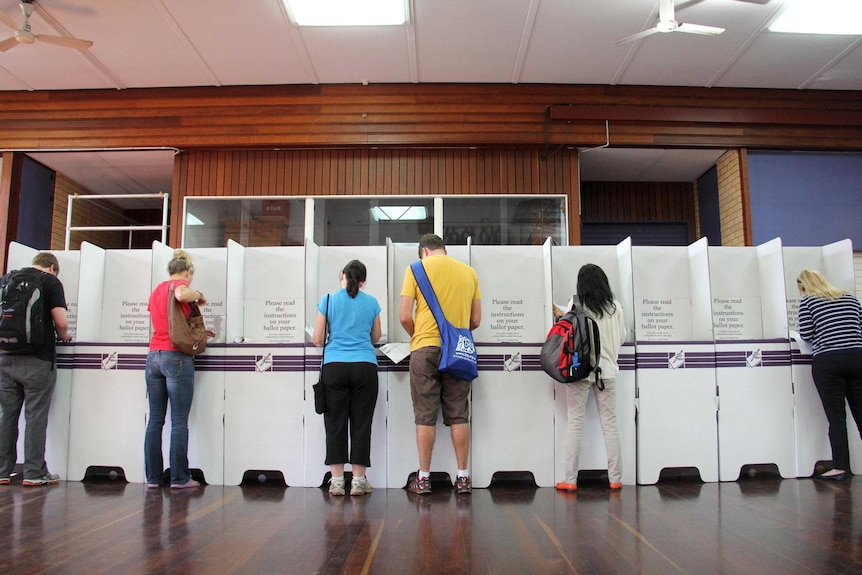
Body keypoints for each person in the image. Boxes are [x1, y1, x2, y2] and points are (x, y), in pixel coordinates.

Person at [399, 234, 481, 495]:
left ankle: (423, 479)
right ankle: (464, 477)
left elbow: (403, 317)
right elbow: (475, 321)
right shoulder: (469, 273)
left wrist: (418, 336)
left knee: (425, 414)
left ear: (423, 251)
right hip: (457, 350)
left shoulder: (415, 270)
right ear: (443, 250)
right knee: (459, 413)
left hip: (424, 348)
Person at [0, 252, 72, 487]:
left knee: (6, 416)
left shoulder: (6, 280)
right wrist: (64, 336)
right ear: (52, 267)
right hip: (37, 360)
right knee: (35, 416)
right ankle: (33, 472)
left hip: (5, 357)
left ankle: (2, 471)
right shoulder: (50, 281)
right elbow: (60, 322)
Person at [313, 260, 382, 496]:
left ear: (341, 275)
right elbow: (376, 337)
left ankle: (337, 482)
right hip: (365, 367)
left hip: (334, 367)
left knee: (335, 424)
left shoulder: (328, 300)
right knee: (362, 424)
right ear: (363, 282)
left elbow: (318, 338)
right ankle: (359, 481)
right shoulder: (372, 302)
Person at [556, 263, 627, 492]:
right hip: (607, 372)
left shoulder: (576, 304)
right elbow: (623, 337)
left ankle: (571, 480)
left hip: (580, 370)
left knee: (575, 422)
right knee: (610, 424)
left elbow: (568, 333)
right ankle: (615, 478)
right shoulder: (615, 307)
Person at [145, 249, 210, 489]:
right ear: (188, 271)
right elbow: (182, 294)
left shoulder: (156, 290)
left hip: (153, 357)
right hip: (176, 357)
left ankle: (152, 478)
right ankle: (180, 478)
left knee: (154, 421)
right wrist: (199, 295)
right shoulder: (179, 285)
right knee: (179, 421)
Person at [797, 269, 862, 481]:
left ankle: (841, 467)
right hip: (857, 357)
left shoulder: (808, 302)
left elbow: (806, 334)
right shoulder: (850, 298)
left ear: (804, 286)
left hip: (829, 362)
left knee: (836, 417)